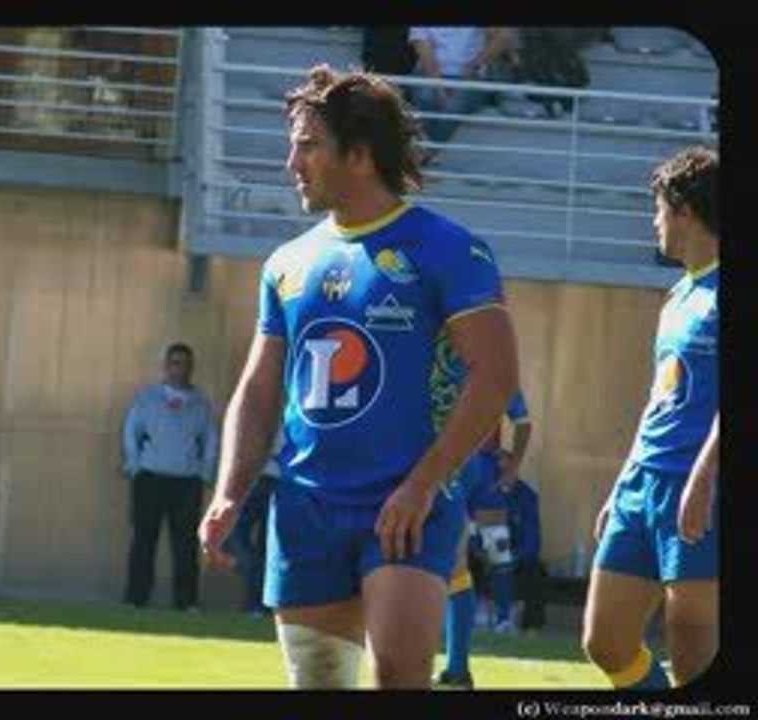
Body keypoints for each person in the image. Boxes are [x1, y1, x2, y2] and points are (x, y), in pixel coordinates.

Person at [198, 64, 520, 689]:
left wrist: (424, 483)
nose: (292, 163)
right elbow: (259, 390)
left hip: (403, 502)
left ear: (361, 154)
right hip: (306, 506)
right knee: (319, 681)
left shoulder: (449, 249)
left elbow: (496, 376)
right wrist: (229, 492)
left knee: (397, 673)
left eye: (308, 145)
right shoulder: (287, 262)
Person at [583, 146, 719, 688]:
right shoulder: (678, 294)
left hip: (699, 484)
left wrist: (703, 481)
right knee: (605, 641)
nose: (654, 222)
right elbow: (659, 401)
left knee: (693, 653)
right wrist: (622, 484)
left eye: (659, 209)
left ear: (685, 211)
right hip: (644, 486)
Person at [433, 390, 532, 690]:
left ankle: (502, 619)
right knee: (457, 558)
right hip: (453, 464)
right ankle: (457, 664)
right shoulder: (447, 365)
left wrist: (513, 466)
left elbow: (523, 422)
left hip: (471, 467)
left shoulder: (493, 368)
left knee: (494, 548)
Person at [122, 342, 219, 611]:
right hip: (150, 478)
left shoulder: (201, 403)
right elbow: (131, 432)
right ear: (166, 366)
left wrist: (204, 473)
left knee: (185, 545)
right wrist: (135, 466)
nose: (180, 369)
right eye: (175, 363)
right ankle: (135, 598)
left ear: (192, 368)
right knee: (143, 540)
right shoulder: (147, 398)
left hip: (186, 481)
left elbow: (210, 441)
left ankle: (187, 602)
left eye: (186, 364)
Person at [407, 27, 514, 158]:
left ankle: (426, 154)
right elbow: (424, 51)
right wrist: (438, 87)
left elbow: (504, 35)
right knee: (426, 98)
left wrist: (475, 64)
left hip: (469, 76)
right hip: (428, 73)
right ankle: (423, 153)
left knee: (452, 108)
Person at [223, 430, 284, 616]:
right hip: (252, 480)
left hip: (281, 482)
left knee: (268, 547)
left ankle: (260, 604)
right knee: (232, 536)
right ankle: (258, 594)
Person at [499, 474, 547, 632]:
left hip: (514, 557)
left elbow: (532, 541)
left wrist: (514, 557)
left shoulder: (525, 495)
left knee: (536, 570)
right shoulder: (480, 488)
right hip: (481, 554)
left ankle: (532, 629)